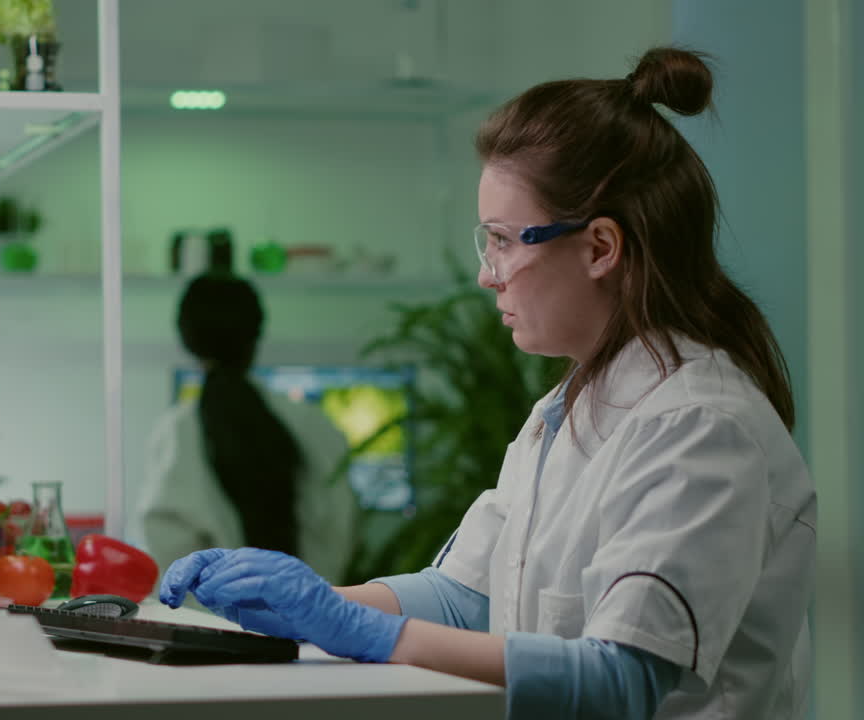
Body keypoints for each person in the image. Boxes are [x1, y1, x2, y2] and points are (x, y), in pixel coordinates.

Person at [158, 47, 816, 719]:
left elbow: (622, 680)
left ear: (599, 248)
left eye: (504, 240)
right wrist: (304, 603)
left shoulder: (700, 427)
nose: (488, 272)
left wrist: (364, 632)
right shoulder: (564, 411)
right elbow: (464, 598)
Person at [136, 271, 358, 584]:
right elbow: (340, 534)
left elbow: (167, 555)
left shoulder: (175, 435)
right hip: (307, 621)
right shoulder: (315, 426)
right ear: (256, 337)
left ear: (186, 341)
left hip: (208, 626)